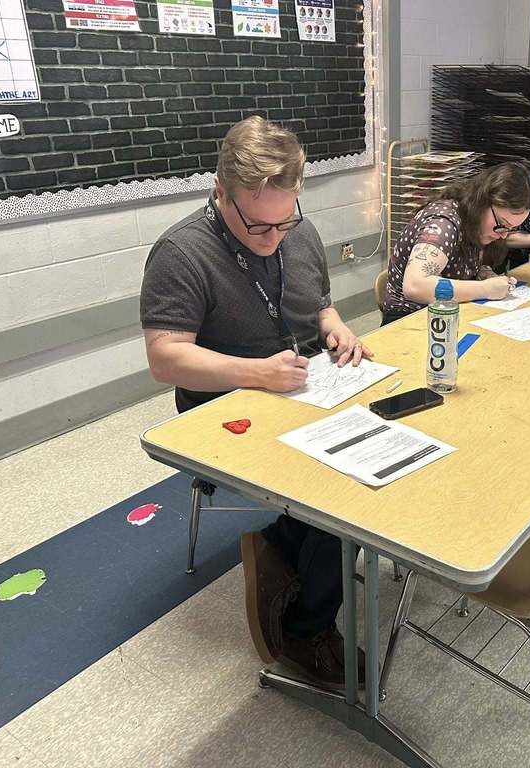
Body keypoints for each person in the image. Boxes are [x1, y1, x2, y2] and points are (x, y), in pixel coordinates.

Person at [140, 116, 371, 688]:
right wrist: (256, 374)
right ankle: (304, 628)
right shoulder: (181, 252)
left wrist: (336, 325)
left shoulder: (296, 227)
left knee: (384, 450)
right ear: (219, 191)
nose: (275, 237)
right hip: (221, 407)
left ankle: (283, 543)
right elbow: (166, 358)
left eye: (285, 221)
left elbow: (317, 303)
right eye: (258, 226)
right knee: (342, 492)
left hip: (304, 383)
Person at [381, 161, 530, 323]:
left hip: (448, 314)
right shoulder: (444, 222)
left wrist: (482, 273)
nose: (503, 235)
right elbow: (414, 286)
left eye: (510, 228)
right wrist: (484, 289)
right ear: (482, 202)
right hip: (409, 320)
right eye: (502, 224)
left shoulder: (475, 223)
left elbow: (456, 266)